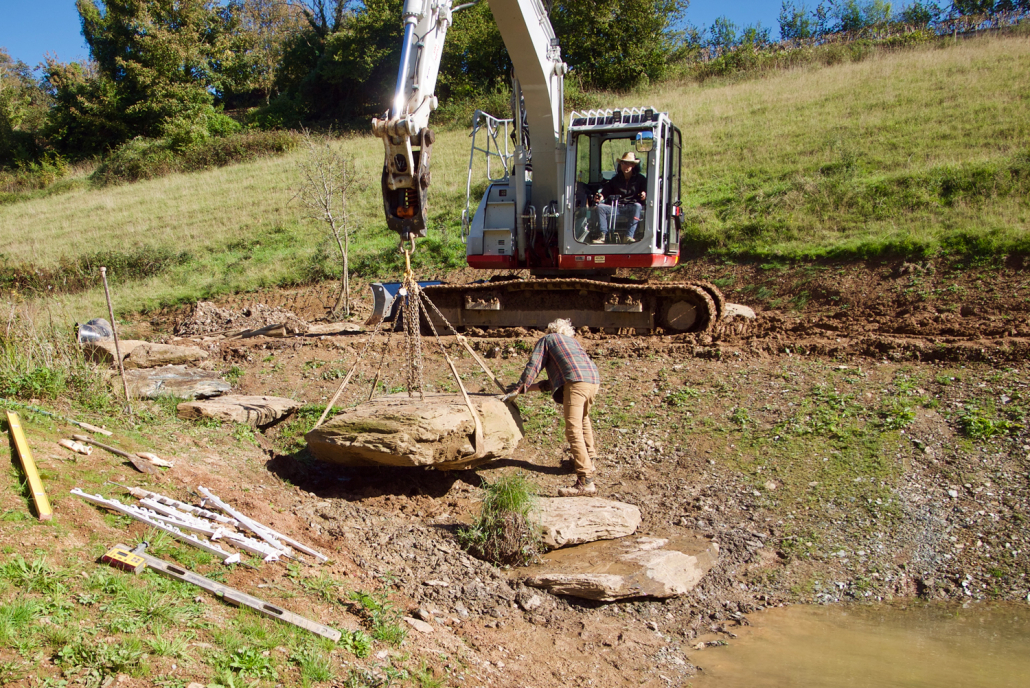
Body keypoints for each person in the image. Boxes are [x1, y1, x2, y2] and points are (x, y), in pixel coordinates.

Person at [506, 318, 601, 496]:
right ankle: (590, 461)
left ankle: (585, 481)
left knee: (573, 429)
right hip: (593, 380)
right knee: (583, 419)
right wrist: (523, 390)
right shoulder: (572, 344)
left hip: (576, 383)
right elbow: (553, 382)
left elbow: (534, 365)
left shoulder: (548, 340)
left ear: (550, 330)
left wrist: (520, 385)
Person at [593, 151, 647, 243]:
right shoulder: (615, 179)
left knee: (637, 206)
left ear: (633, 165)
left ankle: (628, 236)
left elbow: (645, 192)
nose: (625, 166)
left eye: (628, 163)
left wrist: (644, 195)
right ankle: (603, 236)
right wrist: (600, 197)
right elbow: (605, 192)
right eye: (623, 163)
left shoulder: (641, 179)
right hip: (617, 207)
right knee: (600, 207)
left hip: (632, 207)